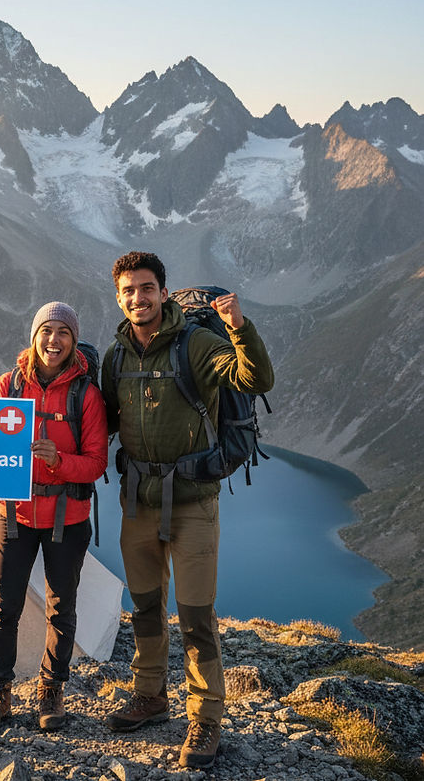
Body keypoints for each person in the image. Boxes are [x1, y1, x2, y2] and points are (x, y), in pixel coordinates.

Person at [100, 252, 274, 770]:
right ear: (119, 296)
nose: (139, 298)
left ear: (163, 292)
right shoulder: (116, 357)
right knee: (146, 608)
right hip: (138, 504)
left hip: (194, 502)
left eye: (147, 288)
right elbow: (100, 420)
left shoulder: (195, 345)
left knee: (196, 617)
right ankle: (150, 695)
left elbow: (255, 379)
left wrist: (239, 330)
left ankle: (206, 717)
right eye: (129, 290)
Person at [0, 302, 108, 732]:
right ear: (34, 336)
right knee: (3, 608)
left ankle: (51, 689)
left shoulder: (85, 394)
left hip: (66, 517)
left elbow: (96, 462)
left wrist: (58, 462)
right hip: (14, 516)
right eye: (46, 331)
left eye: (63, 332)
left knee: (61, 607)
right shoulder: (8, 386)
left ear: (73, 340)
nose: (54, 340)